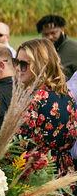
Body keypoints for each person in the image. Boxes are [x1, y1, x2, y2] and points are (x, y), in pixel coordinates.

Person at [14, 38, 77, 180]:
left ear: (40, 66)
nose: (18, 68)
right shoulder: (67, 94)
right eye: (16, 62)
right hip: (64, 174)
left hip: (37, 175)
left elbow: (17, 144)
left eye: (24, 64)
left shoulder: (32, 98)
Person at [37, 14, 77, 78]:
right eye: (46, 34)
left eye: (53, 33)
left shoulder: (74, 50)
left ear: (62, 29)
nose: (50, 37)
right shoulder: (39, 51)